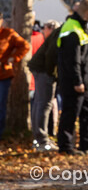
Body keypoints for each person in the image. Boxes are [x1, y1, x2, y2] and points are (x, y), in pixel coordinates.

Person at [56, 0, 88, 154]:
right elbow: (72, 60)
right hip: (74, 82)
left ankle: (87, 144)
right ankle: (65, 146)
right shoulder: (72, 30)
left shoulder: (80, 27)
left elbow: (86, 57)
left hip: (84, 80)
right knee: (70, 112)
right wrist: (77, 81)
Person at [29, 20, 60, 150]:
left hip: (40, 69)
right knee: (44, 103)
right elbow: (50, 55)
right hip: (44, 71)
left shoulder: (55, 35)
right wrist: (50, 73)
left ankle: (40, 137)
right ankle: (41, 139)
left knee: (40, 102)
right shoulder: (59, 35)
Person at [0, 14, 31, 138]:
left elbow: (25, 46)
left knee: (1, 105)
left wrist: (13, 58)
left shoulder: (8, 34)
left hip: (3, 75)